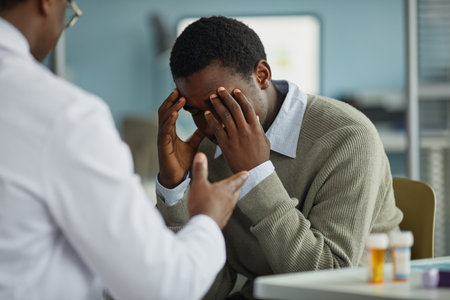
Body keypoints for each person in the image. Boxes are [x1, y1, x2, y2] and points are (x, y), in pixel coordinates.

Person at [0, 2, 249, 300]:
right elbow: (163, 287)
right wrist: (207, 220)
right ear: (47, 3)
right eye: (69, 10)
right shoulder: (65, 116)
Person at [156, 16, 403, 299]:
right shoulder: (205, 150)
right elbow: (204, 287)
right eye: (196, 112)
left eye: (220, 104)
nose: (210, 124)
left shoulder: (348, 138)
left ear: (262, 75)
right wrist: (174, 191)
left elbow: (330, 282)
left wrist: (257, 173)